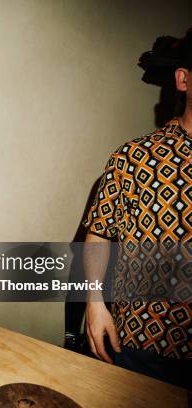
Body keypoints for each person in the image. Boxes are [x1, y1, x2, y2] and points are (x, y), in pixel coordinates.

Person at [83, 29, 191, 389]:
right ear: (183, 78)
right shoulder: (134, 157)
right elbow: (99, 234)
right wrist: (95, 304)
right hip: (145, 347)